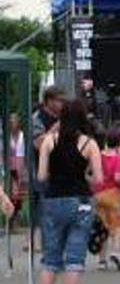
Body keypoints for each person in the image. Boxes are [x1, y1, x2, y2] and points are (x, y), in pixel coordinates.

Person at [34, 99, 103, 284]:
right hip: (80, 201)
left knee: (50, 259)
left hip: (53, 201)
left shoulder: (48, 142)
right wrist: (84, 177)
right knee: (74, 259)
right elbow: (99, 179)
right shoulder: (89, 143)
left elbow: (42, 177)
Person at [31, 86, 66, 248]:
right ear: (49, 101)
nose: (62, 104)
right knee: (46, 210)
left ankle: (58, 245)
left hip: (63, 171)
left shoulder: (64, 117)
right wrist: (55, 129)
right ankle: (48, 247)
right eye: (59, 100)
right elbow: (38, 143)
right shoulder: (38, 118)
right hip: (44, 171)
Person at [96, 123, 120, 271]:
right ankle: (116, 252)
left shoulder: (99, 154)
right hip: (113, 194)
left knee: (102, 227)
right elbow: (118, 177)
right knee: (118, 226)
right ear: (119, 142)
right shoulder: (118, 158)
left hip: (98, 194)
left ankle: (101, 260)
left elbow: (90, 172)